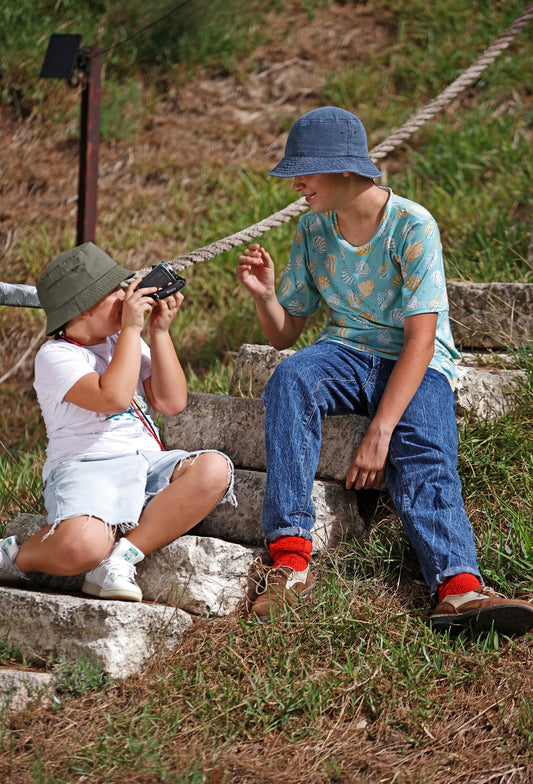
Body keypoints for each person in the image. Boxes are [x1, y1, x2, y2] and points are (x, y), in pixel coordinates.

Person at [237, 105, 533, 634]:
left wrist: (380, 431)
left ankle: (459, 589)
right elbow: (285, 335)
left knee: (424, 447)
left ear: (345, 170)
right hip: (346, 352)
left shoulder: (412, 225)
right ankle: (289, 561)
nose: (297, 183)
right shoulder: (311, 229)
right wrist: (264, 296)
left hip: (415, 361)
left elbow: (421, 338)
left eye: (305, 171)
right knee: (291, 376)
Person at [0, 242, 236, 601]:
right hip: (85, 467)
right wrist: (130, 330)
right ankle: (15, 555)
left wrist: (159, 333)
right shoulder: (56, 355)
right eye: (112, 291)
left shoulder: (122, 340)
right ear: (80, 310)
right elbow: (112, 399)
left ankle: (119, 559)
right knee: (81, 545)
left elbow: (171, 402)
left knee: (214, 469)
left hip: (143, 462)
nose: (125, 294)